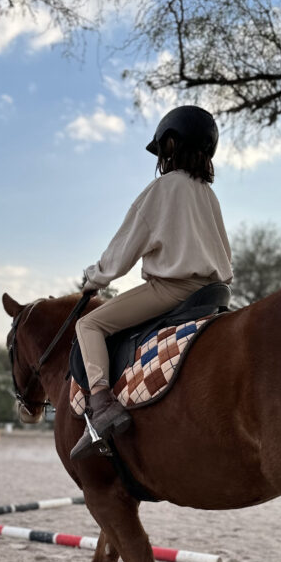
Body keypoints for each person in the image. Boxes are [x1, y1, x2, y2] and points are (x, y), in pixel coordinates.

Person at [71, 105, 233, 461]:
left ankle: (101, 403)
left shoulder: (164, 188)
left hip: (171, 291)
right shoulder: (209, 195)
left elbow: (125, 247)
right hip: (214, 294)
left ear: (171, 144)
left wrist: (93, 280)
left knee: (89, 324)